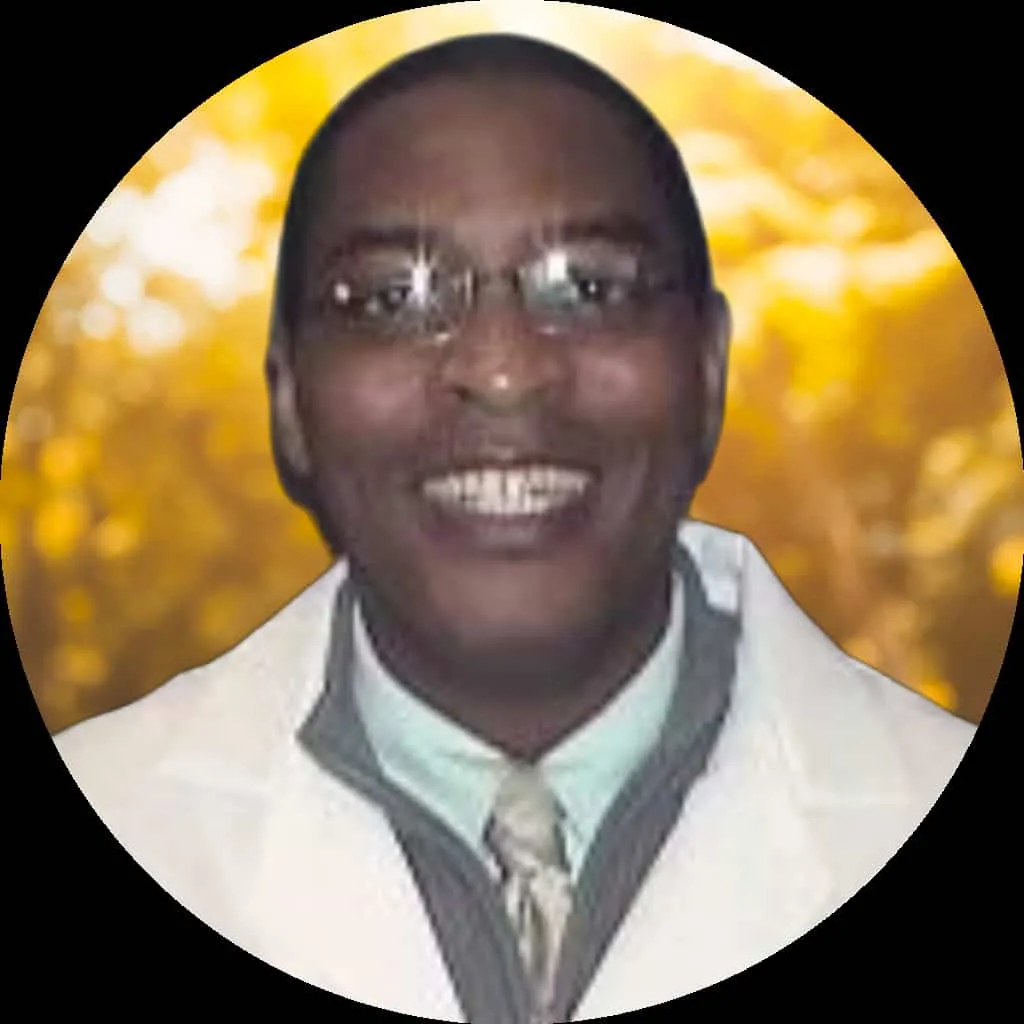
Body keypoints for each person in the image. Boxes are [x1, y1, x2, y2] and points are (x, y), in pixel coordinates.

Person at [53, 34, 975, 1023]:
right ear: (289, 402)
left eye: (591, 288)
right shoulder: (117, 804)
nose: (502, 369)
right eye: (392, 297)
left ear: (708, 370)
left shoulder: (921, 787)